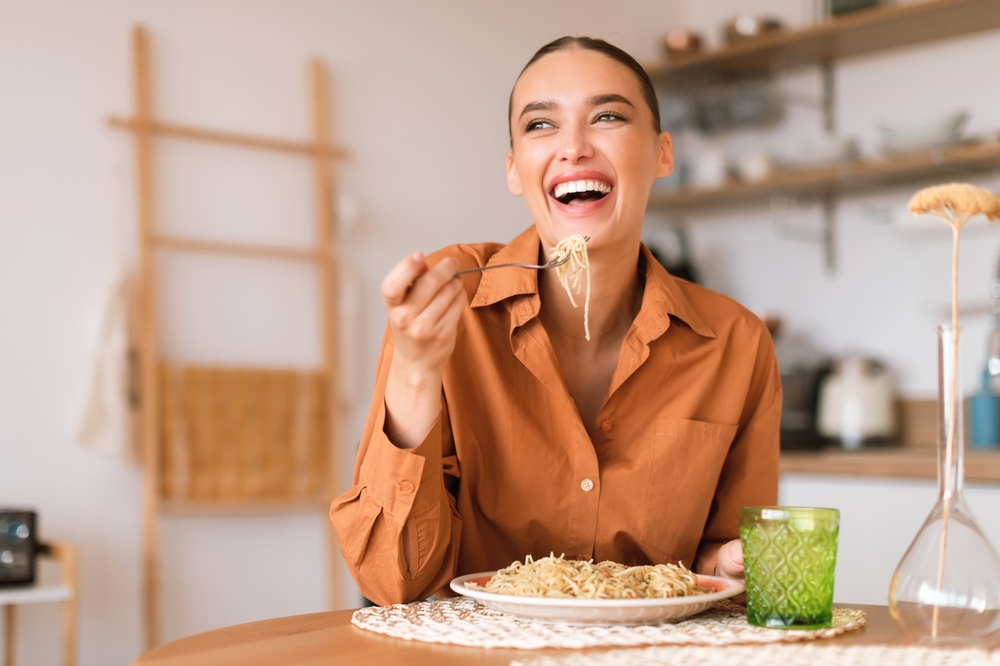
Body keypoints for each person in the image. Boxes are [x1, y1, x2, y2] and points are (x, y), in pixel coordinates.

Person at [330, 36, 781, 606]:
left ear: (663, 154)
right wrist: (416, 371)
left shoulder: (735, 342)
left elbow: (721, 567)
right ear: (515, 170)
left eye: (608, 116)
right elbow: (392, 583)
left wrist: (731, 565)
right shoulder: (449, 306)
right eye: (541, 125)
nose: (573, 147)